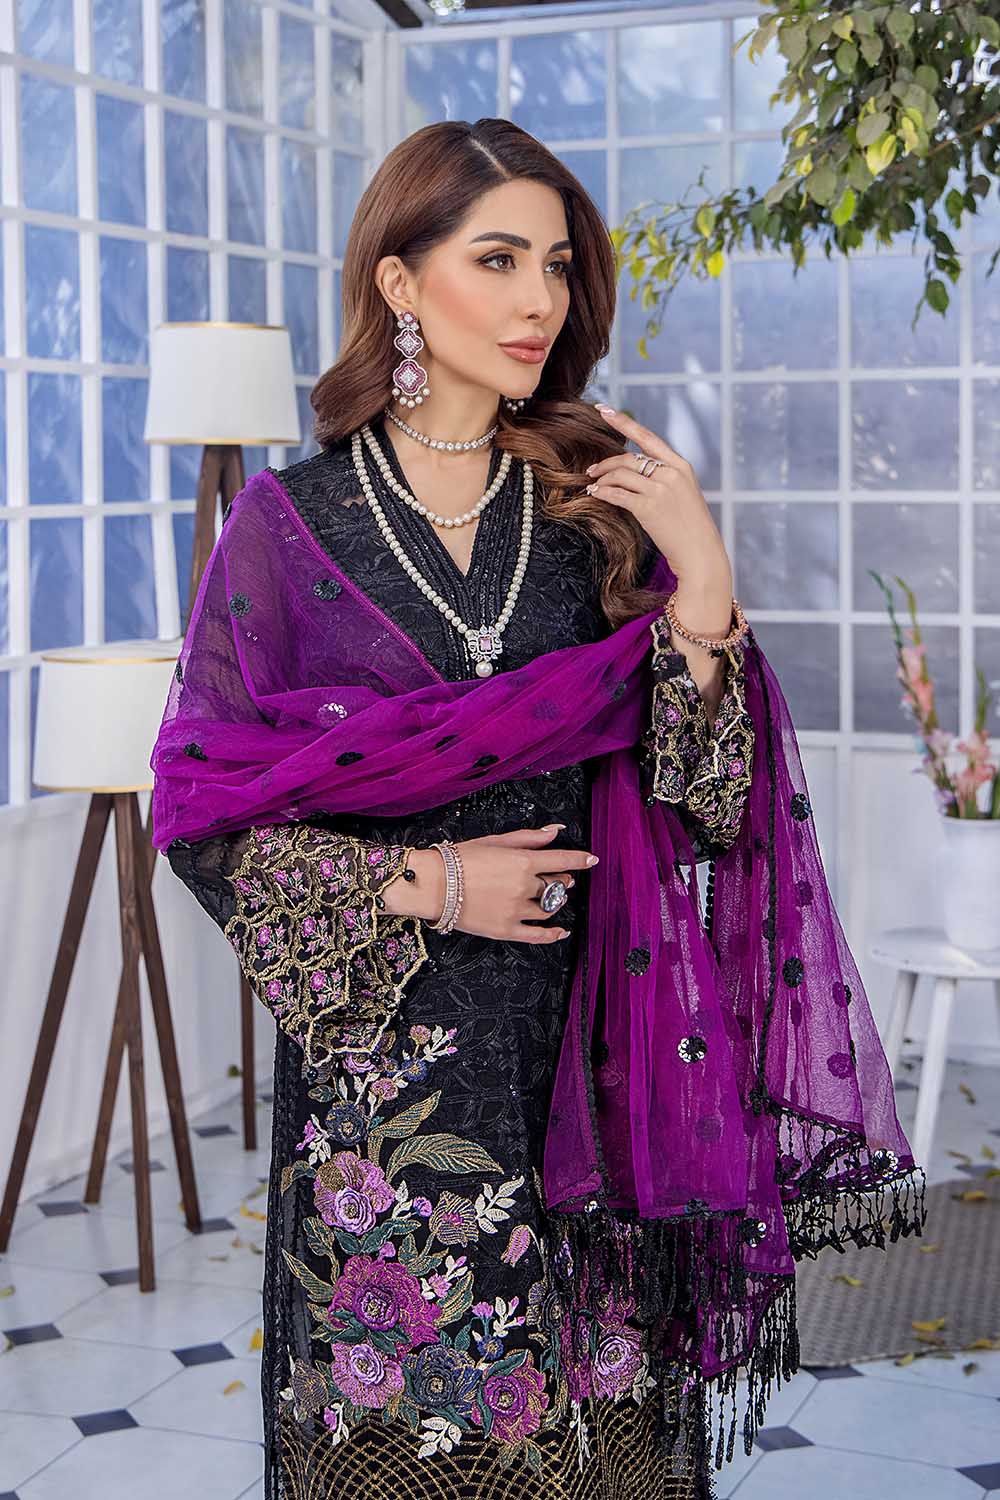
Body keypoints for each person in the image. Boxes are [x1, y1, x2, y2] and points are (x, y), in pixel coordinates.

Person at [151, 118, 925, 1500]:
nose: (539, 301)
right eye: (498, 259)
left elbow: (712, 806)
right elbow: (203, 811)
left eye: (557, 266)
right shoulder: (286, 527)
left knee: (604, 1453)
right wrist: (433, 884)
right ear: (400, 282)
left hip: (599, 1074)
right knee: (424, 1453)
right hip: (395, 1096)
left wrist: (704, 582)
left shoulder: (592, 515)